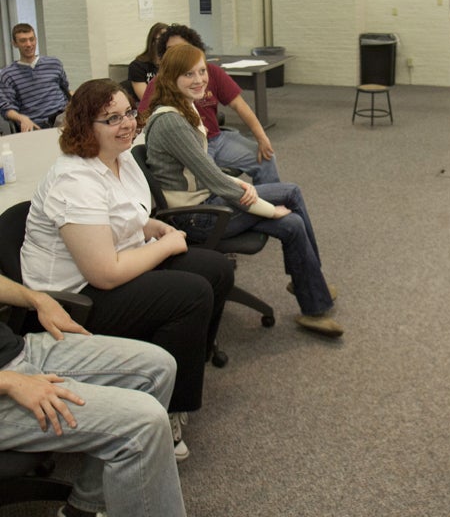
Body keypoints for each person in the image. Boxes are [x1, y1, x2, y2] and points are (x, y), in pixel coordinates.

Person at [20, 78, 235, 461]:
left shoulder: (120, 157)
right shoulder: (74, 179)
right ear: (86, 127)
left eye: (129, 113)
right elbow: (105, 272)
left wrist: (151, 227)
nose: (127, 124)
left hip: (113, 268)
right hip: (74, 300)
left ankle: (178, 370)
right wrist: (166, 244)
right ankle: (165, 410)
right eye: (112, 118)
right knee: (192, 294)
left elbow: (126, 216)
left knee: (217, 269)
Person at [143, 43, 343, 338]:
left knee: (292, 222)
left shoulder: (185, 109)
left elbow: (208, 172)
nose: (200, 80)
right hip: (195, 217)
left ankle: (312, 298)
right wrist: (267, 207)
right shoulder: (172, 122)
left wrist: (243, 187)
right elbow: (212, 178)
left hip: (207, 199)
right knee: (290, 197)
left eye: (201, 72)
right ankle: (313, 284)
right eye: (189, 74)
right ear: (171, 78)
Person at [0, 272, 186, 517]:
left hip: (15, 352)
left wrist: (36, 298)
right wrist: (11, 382)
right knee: (144, 425)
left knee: (158, 368)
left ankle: (84, 508)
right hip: (7, 382)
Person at [137, 23, 280, 184]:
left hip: (216, 139)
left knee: (266, 158)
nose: (179, 53)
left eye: (183, 48)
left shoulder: (210, 73)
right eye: (171, 50)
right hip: (190, 146)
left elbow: (239, 105)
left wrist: (261, 137)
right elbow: (144, 119)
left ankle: (273, 200)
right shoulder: (160, 83)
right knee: (212, 183)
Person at [0, 23, 70, 131]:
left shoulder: (54, 64)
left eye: (31, 39)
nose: (29, 44)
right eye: (23, 41)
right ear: (14, 44)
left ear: (36, 40)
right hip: (35, 125)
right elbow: (6, 107)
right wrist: (22, 118)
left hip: (64, 120)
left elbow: (66, 91)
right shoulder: (7, 75)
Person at [128, 21, 168, 100]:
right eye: (161, 40)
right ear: (152, 42)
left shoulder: (173, 64)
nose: (165, 44)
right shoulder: (137, 66)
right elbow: (145, 99)